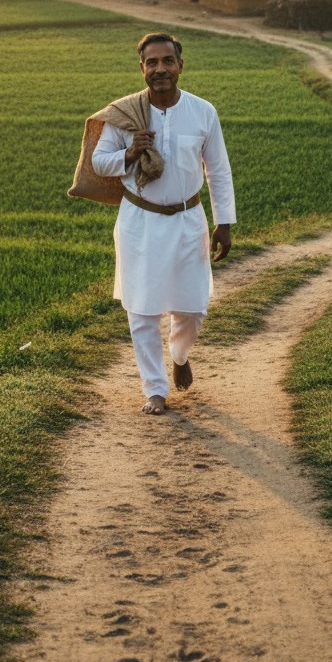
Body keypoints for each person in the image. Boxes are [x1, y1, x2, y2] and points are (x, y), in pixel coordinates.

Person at [91, 32, 236, 416]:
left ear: (180, 66)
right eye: (151, 63)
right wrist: (131, 150)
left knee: (192, 309)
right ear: (141, 69)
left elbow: (218, 170)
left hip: (189, 221)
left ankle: (180, 352)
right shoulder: (124, 115)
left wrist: (224, 222)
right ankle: (154, 389)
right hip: (140, 221)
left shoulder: (203, 111)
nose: (160, 70)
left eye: (167, 61)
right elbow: (98, 162)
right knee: (142, 310)